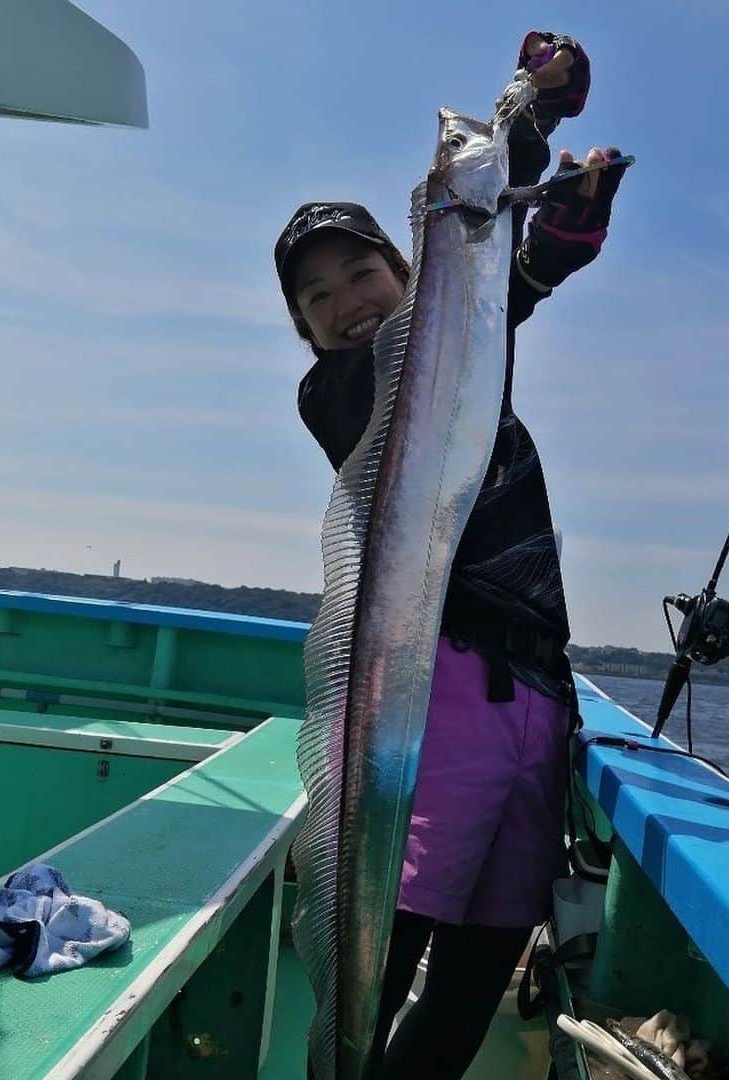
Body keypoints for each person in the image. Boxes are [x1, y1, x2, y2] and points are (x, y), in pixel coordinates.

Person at [275, 32, 625, 1080]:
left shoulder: (463, 361)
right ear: (303, 329)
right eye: (319, 296)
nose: (349, 299)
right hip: (439, 700)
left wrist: (556, 210)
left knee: (477, 973)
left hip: (536, 698)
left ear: (400, 263)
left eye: (362, 269)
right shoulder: (339, 393)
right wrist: (521, 153)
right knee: (377, 965)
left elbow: (491, 295)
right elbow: (477, 298)